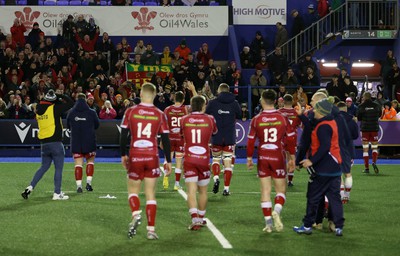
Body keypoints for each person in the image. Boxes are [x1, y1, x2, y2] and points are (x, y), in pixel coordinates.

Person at [119, 82, 172, 240]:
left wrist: (123, 155)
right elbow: (166, 139)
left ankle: (136, 214)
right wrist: (168, 160)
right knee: (150, 194)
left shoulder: (131, 111)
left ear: (141, 94)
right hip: (152, 156)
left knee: (133, 191)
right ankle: (151, 230)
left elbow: (123, 135)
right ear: (155, 96)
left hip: (135, 155)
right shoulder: (159, 114)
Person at [293, 98, 344, 236]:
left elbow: (324, 147)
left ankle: (308, 225)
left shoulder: (323, 127)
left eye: (316, 109)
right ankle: (339, 226)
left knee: (313, 197)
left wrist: (311, 161)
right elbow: (310, 127)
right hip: (334, 168)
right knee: (335, 199)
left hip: (323, 169)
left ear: (321, 112)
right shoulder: (328, 122)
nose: (313, 110)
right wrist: (301, 116)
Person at [247, 89, 295, 233]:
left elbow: (250, 141)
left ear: (262, 100)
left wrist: (249, 158)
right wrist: (292, 158)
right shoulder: (282, 118)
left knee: (265, 191)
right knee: (281, 190)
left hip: (263, 156)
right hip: (278, 156)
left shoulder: (256, 119)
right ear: (275, 101)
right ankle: (277, 211)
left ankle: (268, 224)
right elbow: (291, 139)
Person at [21, 89, 74, 200]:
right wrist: (60, 95)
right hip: (55, 143)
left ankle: (30, 187)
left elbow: (29, 106)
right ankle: (57, 193)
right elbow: (71, 103)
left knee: (43, 167)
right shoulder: (54, 108)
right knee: (58, 169)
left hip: (44, 144)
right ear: (53, 100)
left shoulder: (38, 109)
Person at [181, 95, 217, 230]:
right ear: (203, 106)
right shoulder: (210, 119)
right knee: (203, 191)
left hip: (190, 158)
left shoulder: (184, 119)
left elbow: (180, 134)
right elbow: (214, 132)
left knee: (191, 191)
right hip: (203, 159)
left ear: (191, 106)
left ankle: (195, 218)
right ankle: (201, 218)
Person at [205, 83, 241, 196]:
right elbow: (240, 115)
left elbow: (206, 114)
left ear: (219, 91)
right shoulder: (234, 103)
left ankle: (216, 178)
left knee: (216, 159)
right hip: (229, 136)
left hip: (216, 136)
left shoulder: (213, 103)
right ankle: (226, 189)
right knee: (227, 161)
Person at [66, 93, 100, 193]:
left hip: (76, 141)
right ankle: (88, 183)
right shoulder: (92, 112)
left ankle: (79, 186)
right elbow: (97, 125)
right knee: (90, 162)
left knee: (78, 164)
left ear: (77, 99)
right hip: (89, 141)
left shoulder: (71, 112)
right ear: (85, 99)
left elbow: (68, 125)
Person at [162, 91, 189, 191]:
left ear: (174, 99)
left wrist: (162, 139)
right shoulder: (185, 109)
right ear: (183, 100)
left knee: (167, 158)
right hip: (180, 138)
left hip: (169, 138)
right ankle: (176, 184)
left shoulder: (167, 109)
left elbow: (163, 125)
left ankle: (165, 178)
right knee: (178, 161)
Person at [337, 101, 359, 203]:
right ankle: (347, 196)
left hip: (335, 149)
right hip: (348, 149)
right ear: (346, 109)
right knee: (348, 173)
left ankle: (341, 195)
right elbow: (355, 136)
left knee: (337, 173)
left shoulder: (333, 119)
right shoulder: (351, 120)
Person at [279, 94, 302, 187]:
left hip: (281, 137)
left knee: (282, 158)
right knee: (291, 158)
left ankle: (282, 178)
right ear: (292, 101)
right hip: (292, 137)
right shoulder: (296, 112)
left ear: (283, 101)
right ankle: (290, 180)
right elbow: (299, 125)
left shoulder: (278, 112)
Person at [357, 91, 382, 174]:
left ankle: (367, 168)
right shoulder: (377, 105)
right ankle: (374, 162)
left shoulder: (361, 106)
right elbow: (379, 115)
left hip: (365, 129)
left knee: (365, 149)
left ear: (364, 97)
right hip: (374, 128)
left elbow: (359, 118)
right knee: (374, 147)